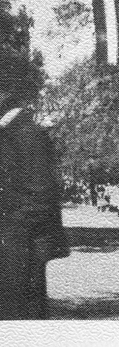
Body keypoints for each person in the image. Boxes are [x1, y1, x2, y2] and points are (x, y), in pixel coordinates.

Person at [0, 48, 69, 319]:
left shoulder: (27, 134)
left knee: (19, 318)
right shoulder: (12, 132)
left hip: (18, 250)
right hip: (13, 246)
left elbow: (39, 197)